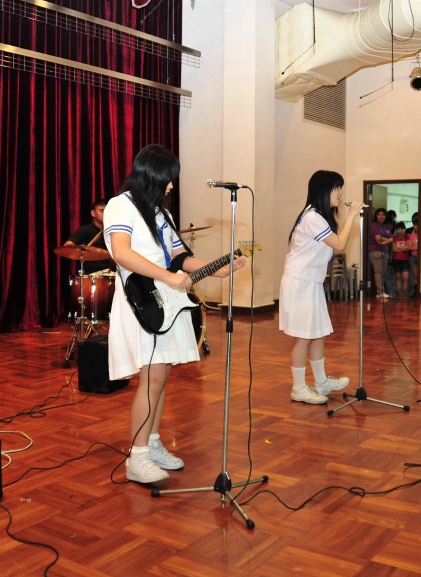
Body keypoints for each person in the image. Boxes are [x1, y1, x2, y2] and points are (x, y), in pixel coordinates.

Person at [103, 144, 245, 484]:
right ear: (151, 175)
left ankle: (151, 442)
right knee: (151, 376)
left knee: (161, 374)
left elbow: (180, 257)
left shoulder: (161, 215)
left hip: (166, 299)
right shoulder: (120, 205)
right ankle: (137, 458)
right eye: (168, 179)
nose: (171, 186)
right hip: (141, 299)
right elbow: (122, 253)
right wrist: (168, 277)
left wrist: (216, 269)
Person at [279, 171, 363, 405]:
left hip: (311, 283)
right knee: (303, 338)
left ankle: (321, 381)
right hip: (300, 283)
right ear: (324, 190)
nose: (341, 193)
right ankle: (298, 388)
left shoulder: (318, 217)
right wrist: (352, 215)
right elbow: (340, 244)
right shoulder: (312, 218)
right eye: (338, 188)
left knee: (317, 333)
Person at [64, 199, 110, 275]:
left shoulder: (111, 232)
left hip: (109, 274)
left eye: (107, 211)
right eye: (102, 211)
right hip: (89, 275)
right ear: (93, 213)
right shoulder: (85, 230)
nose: (105, 214)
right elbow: (68, 246)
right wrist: (80, 253)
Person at [367, 208, 393, 298]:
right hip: (376, 252)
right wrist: (387, 240)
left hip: (385, 252)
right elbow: (378, 238)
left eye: (383, 215)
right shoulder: (374, 225)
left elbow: (392, 239)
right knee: (378, 273)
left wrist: (384, 242)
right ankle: (380, 292)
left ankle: (381, 292)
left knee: (383, 273)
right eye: (379, 215)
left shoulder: (387, 226)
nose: (381, 216)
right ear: (376, 216)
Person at [391, 222, 412, 298]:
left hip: (405, 259)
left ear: (404, 229)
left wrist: (399, 248)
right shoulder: (394, 238)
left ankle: (405, 294)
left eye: (401, 228)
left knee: (406, 277)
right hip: (396, 259)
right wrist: (403, 248)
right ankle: (399, 294)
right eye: (398, 229)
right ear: (396, 230)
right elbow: (394, 249)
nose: (400, 230)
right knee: (398, 277)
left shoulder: (407, 237)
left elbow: (408, 247)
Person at [407, 213, 420, 298]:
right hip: (413, 257)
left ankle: (419, 291)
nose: (416, 227)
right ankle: (414, 291)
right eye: (414, 225)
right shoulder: (411, 236)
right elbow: (409, 247)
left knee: (419, 275)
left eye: (417, 225)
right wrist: (416, 248)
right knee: (414, 275)